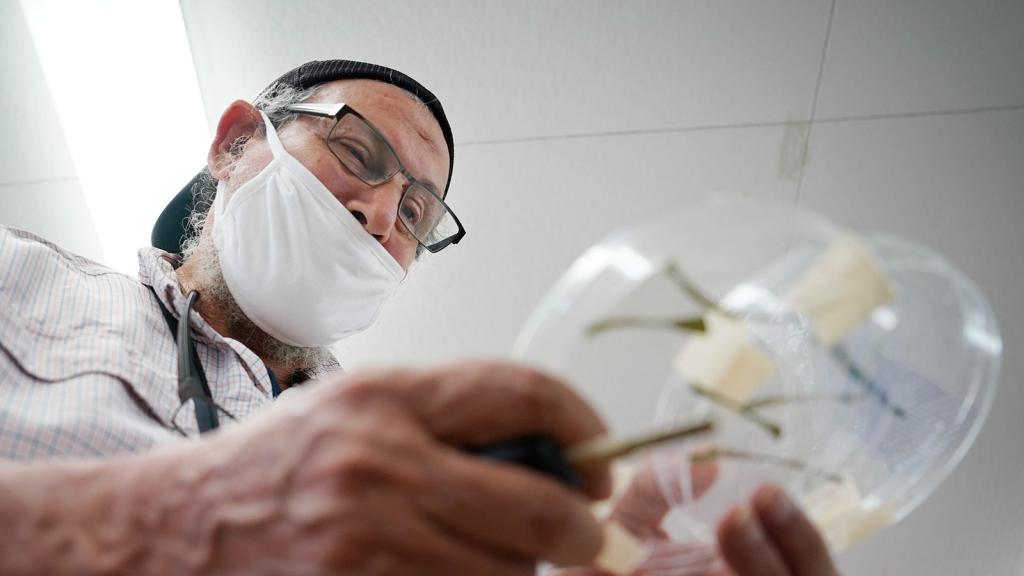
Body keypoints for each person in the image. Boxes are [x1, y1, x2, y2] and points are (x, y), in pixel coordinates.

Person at [0, 59, 838, 575]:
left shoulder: (407, 480)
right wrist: (171, 524)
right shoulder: (22, 280)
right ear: (233, 144)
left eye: (415, 215)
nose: (379, 214)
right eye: (360, 154)